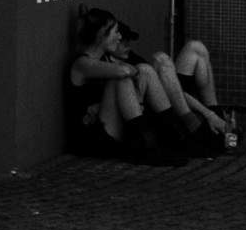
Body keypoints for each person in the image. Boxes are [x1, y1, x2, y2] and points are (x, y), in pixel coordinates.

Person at [63, 8, 236, 160]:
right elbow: (123, 72)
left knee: (189, 51)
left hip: (141, 117)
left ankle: (211, 124)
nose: (122, 40)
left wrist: (209, 114)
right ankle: (159, 144)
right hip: (100, 134)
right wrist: (141, 75)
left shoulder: (114, 58)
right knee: (139, 72)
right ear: (102, 37)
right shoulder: (83, 63)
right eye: (118, 35)